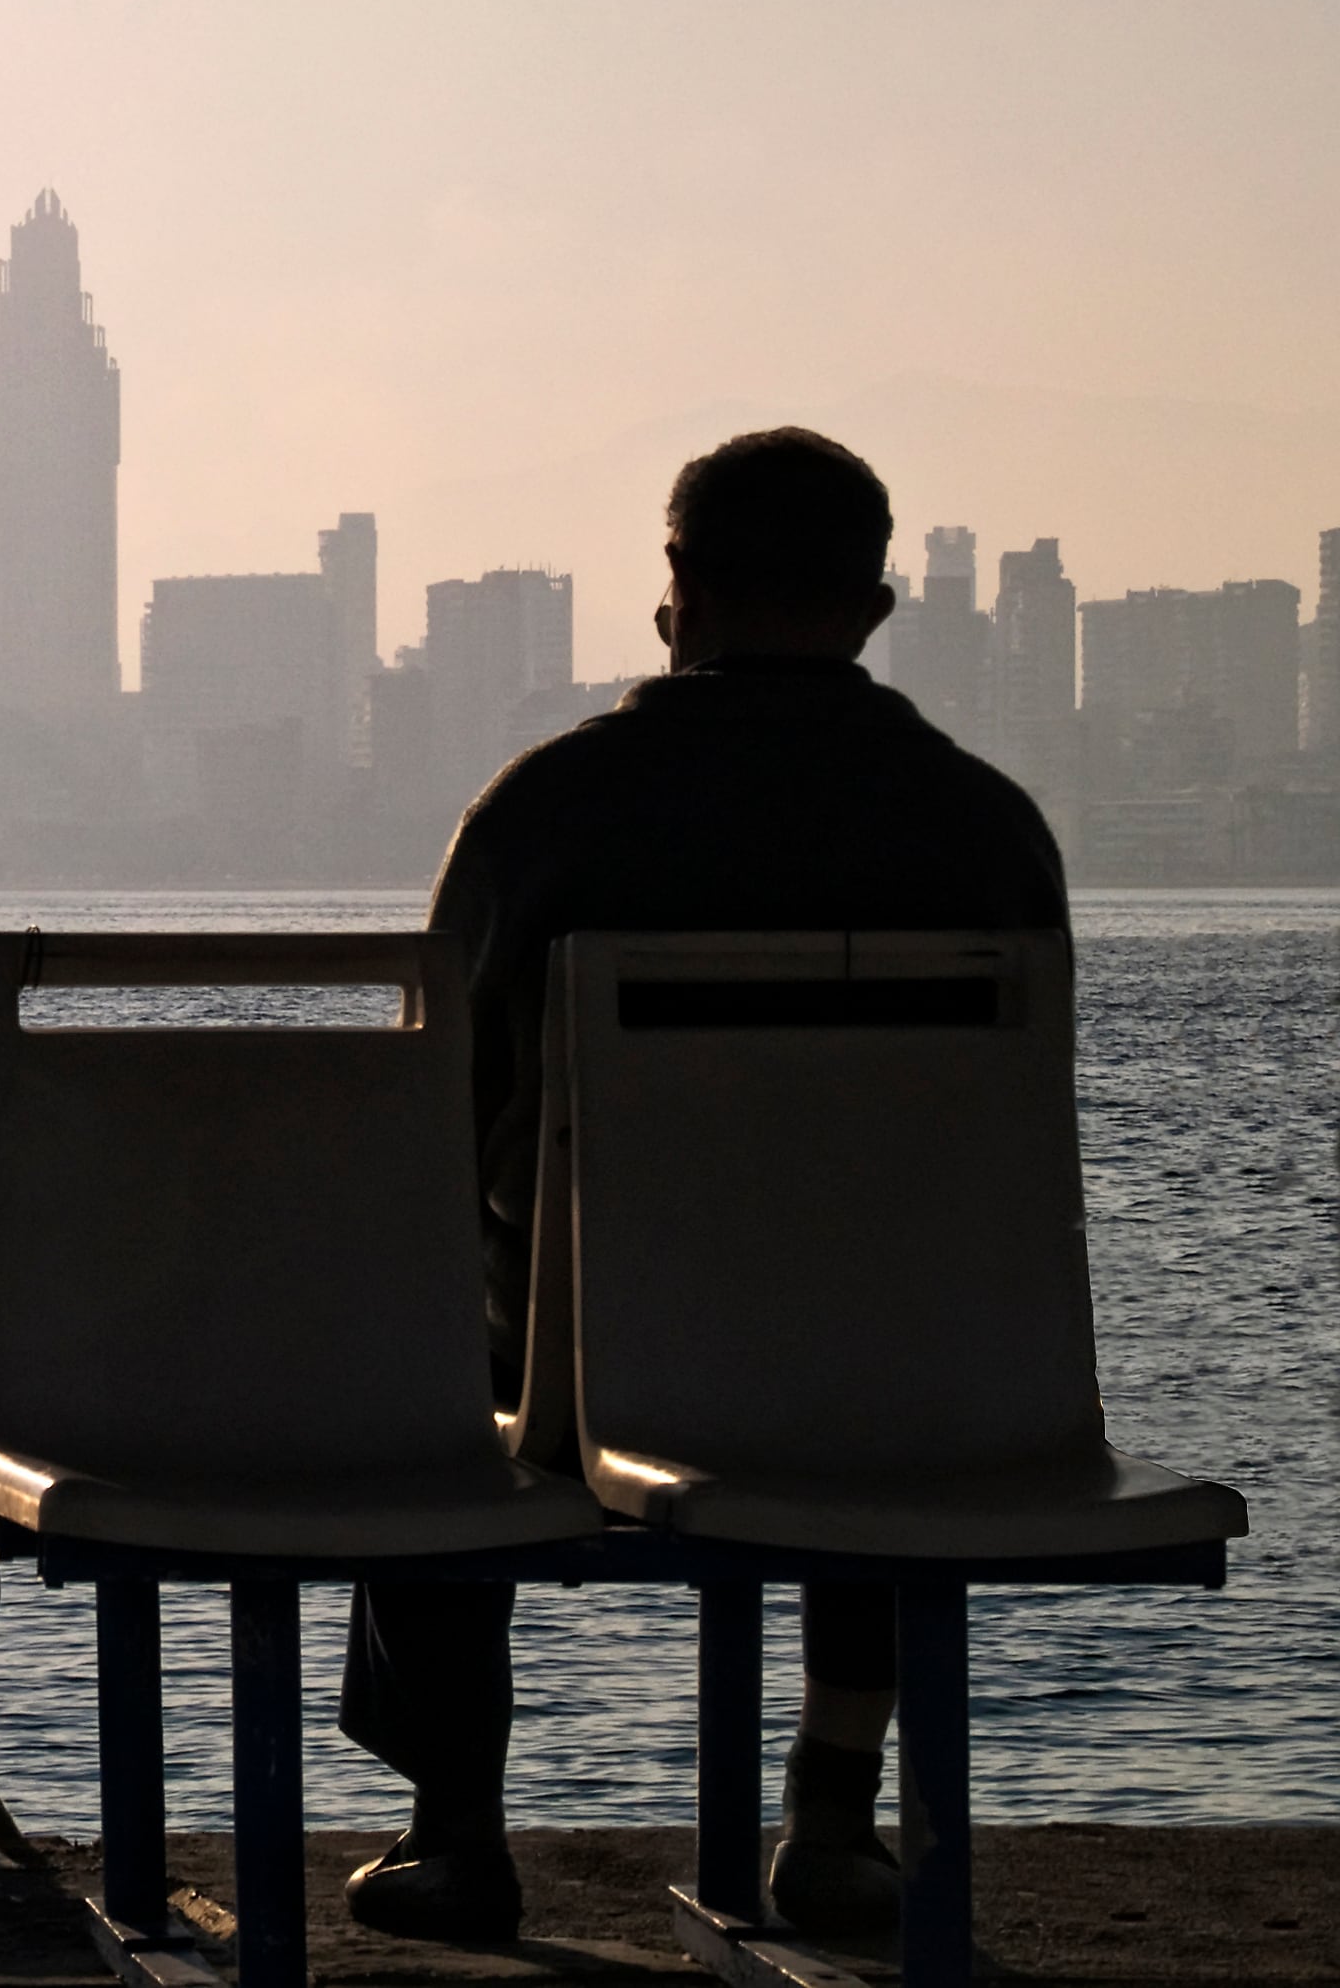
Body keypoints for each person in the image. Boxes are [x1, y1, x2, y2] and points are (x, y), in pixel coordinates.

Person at [340, 428, 1071, 1944]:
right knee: (867, 1309)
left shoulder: (550, 810)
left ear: (677, 589)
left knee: (415, 1333)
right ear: (876, 607)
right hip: (919, 1382)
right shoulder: (988, 829)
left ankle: (457, 1829)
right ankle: (830, 1812)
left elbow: (431, 1117)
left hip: (590, 1380)